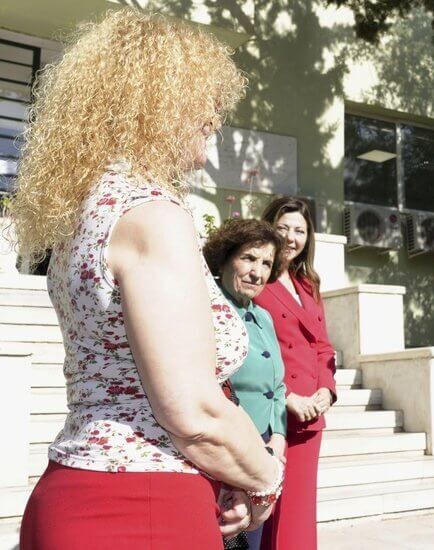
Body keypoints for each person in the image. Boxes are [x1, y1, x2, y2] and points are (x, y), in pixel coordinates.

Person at [11, 10, 284, 549]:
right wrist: (267, 475)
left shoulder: (88, 213)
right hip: (140, 507)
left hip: (75, 490)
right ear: (159, 103)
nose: (214, 120)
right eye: (205, 105)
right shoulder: (151, 214)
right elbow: (193, 413)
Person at [255, 197, 337, 550]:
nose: (291, 237)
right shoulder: (256, 277)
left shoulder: (308, 284)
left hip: (309, 417)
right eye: (283, 228)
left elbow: (323, 346)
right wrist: (287, 397)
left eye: (300, 231)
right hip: (272, 411)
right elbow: (248, 348)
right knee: (265, 514)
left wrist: (326, 391)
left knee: (297, 514)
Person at [204, 219, 290, 549]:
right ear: (225, 259)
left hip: (265, 447)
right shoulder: (208, 309)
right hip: (224, 447)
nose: (257, 272)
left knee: (250, 540)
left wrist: (278, 437)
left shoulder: (263, 315)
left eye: (266, 263)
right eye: (249, 258)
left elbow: (277, 386)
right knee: (225, 538)